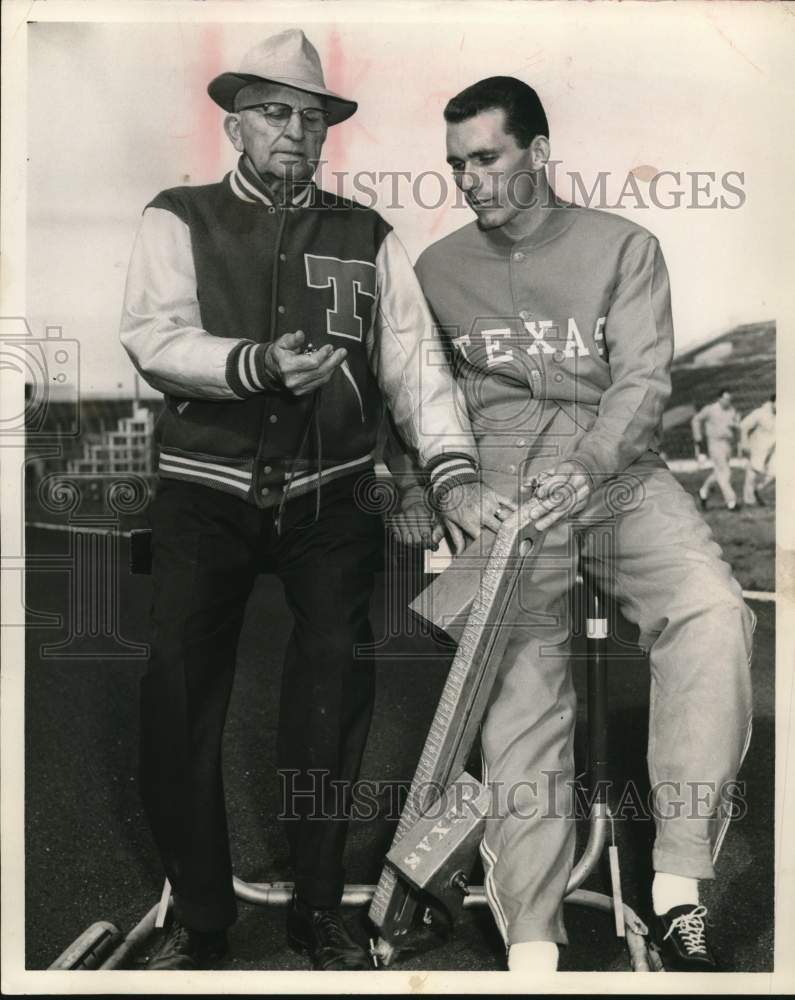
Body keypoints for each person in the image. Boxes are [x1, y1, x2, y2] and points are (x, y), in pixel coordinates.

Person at [119, 29, 511, 971]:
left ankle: (316, 906)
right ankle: (202, 915)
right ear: (234, 125)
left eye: (309, 115)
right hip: (204, 493)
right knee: (176, 689)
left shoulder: (366, 234)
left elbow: (415, 369)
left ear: (326, 130)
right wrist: (251, 365)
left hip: (330, 497)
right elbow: (151, 334)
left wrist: (450, 468)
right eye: (272, 112)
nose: (293, 130)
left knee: (333, 683)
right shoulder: (178, 216)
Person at [409, 76, 754, 972]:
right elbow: (420, 400)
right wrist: (444, 495)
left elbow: (641, 385)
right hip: (503, 487)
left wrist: (589, 464)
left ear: (538, 154)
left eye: (486, 158)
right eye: (456, 165)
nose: (469, 180)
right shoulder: (435, 270)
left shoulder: (623, 245)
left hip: (614, 474)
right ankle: (532, 933)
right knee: (522, 679)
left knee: (712, 611)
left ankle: (677, 880)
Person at [691, 389, 742, 510]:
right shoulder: (710, 409)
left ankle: (703, 491)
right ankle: (731, 502)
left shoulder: (732, 410)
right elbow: (696, 420)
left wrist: (736, 426)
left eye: (729, 399)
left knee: (719, 472)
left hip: (727, 444)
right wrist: (698, 437)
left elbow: (735, 426)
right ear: (719, 398)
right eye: (725, 399)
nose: (727, 402)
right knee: (725, 472)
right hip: (715, 443)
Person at [740, 395, 775, 506]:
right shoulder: (760, 413)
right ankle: (749, 500)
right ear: (772, 402)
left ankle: (758, 490)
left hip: (774, 449)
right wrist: (744, 443)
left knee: (775, 473)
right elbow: (744, 426)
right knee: (753, 474)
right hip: (758, 447)